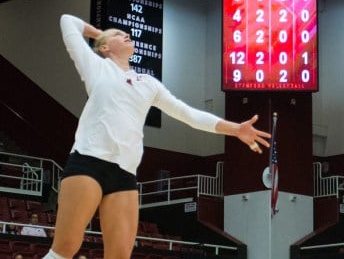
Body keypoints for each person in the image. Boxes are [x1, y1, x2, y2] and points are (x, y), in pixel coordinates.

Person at [41, 15, 272, 259]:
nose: (125, 34)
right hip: (89, 162)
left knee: (119, 256)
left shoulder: (148, 83)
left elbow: (188, 114)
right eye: (118, 34)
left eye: (125, 32)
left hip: (124, 174)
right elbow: (67, 21)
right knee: (65, 248)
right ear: (105, 48)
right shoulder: (95, 66)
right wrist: (99, 33)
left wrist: (235, 129)